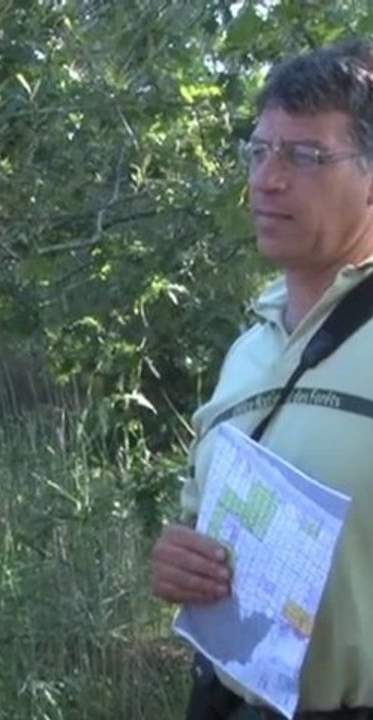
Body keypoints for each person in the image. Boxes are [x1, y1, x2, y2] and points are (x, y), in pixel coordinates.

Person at [149, 39, 373, 719]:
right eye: (259, 151)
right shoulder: (248, 347)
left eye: (305, 156)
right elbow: (202, 523)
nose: (268, 179)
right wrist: (177, 560)